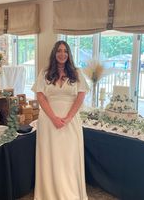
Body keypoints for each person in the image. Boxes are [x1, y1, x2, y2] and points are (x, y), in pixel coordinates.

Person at [32, 40, 89, 200]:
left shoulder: (76, 73)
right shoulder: (45, 72)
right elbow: (40, 96)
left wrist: (69, 117)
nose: (62, 54)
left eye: (65, 51)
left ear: (69, 54)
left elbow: (81, 95)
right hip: (49, 121)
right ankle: (48, 194)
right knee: (51, 157)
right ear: (54, 53)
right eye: (59, 51)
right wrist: (53, 118)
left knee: (69, 158)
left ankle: (70, 193)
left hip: (70, 122)